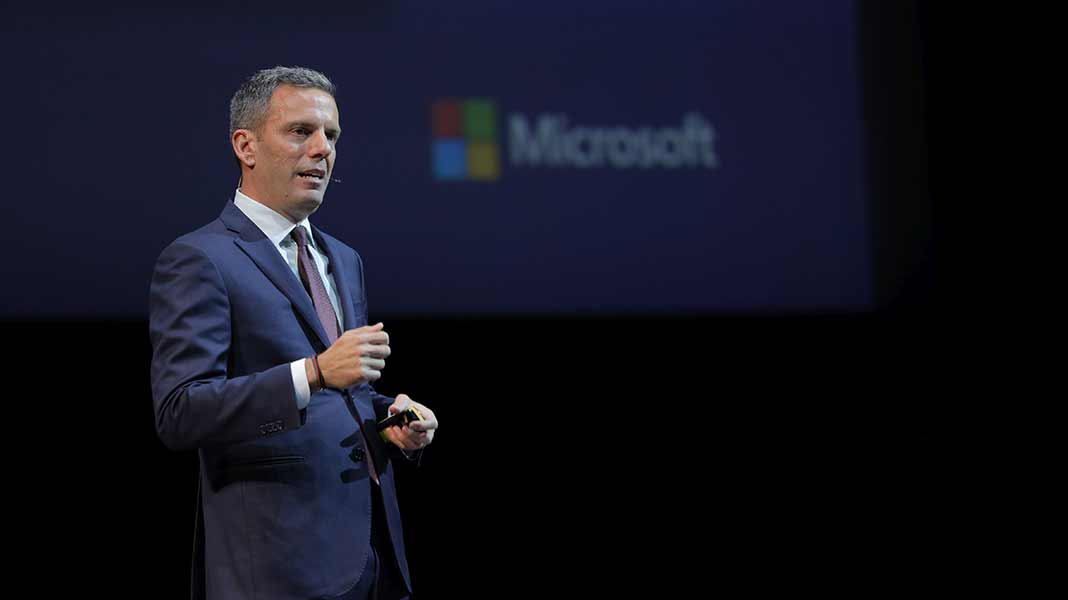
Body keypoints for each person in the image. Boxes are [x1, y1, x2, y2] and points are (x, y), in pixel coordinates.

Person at [149, 66, 437, 600]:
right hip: (277, 564)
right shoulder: (200, 259)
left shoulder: (342, 259)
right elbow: (181, 412)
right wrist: (314, 372)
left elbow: (343, 393)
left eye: (331, 135)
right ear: (246, 146)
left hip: (371, 554)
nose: (322, 149)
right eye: (301, 131)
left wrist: (390, 417)